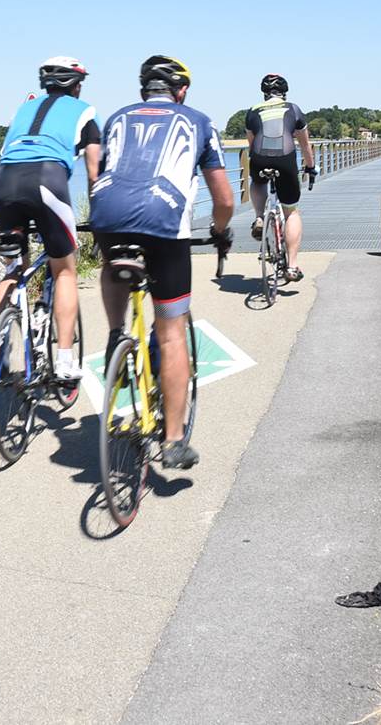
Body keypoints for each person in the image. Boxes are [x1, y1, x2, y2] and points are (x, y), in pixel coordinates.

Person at [89, 55, 233, 469]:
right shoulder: (198, 121)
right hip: (162, 220)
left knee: (113, 264)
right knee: (171, 334)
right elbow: (223, 199)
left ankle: (117, 333)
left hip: (107, 213)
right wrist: (221, 231)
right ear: (181, 90)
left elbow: (99, 170)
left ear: (142, 90)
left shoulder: (117, 117)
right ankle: (172, 441)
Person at [0, 56, 102, 381]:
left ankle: (1, 354)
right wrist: (97, 218)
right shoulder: (85, 112)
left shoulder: (22, 110)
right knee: (65, 270)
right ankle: (66, 360)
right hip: (47, 180)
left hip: (6, 185)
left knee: (14, 267)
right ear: (77, 85)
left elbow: (6, 155)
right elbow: (95, 173)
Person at [245, 73, 317, 283]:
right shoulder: (293, 109)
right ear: (284, 92)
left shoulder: (252, 111)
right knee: (291, 211)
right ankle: (292, 266)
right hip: (285, 159)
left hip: (259, 158)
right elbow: (305, 145)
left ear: (264, 93)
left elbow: (251, 145)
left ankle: (259, 217)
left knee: (257, 181)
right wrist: (310, 167)